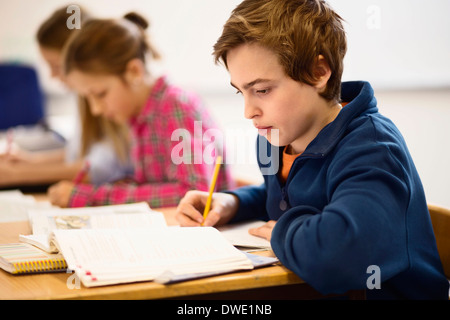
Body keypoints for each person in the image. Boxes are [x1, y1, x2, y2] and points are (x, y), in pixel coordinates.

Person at [175, 0, 449, 299]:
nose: (248, 111)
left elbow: (340, 256)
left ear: (319, 72)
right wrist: (233, 203)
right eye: (241, 91)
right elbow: (283, 198)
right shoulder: (274, 138)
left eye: (262, 90)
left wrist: (282, 231)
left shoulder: (372, 148)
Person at [47, 12, 233, 208]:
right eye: (88, 98)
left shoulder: (176, 107)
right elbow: (156, 185)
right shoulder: (138, 116)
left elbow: (195, 194)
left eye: (100, 94)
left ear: (134, 72)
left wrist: (95, 196)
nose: (95, 110)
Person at [0, 6, 133, 189]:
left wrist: (15, 174)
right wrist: (30, 161)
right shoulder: (86, 99)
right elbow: (79, 152)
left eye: (56, 66)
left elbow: (98, 168)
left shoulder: (112, 101)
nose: (53, 76)